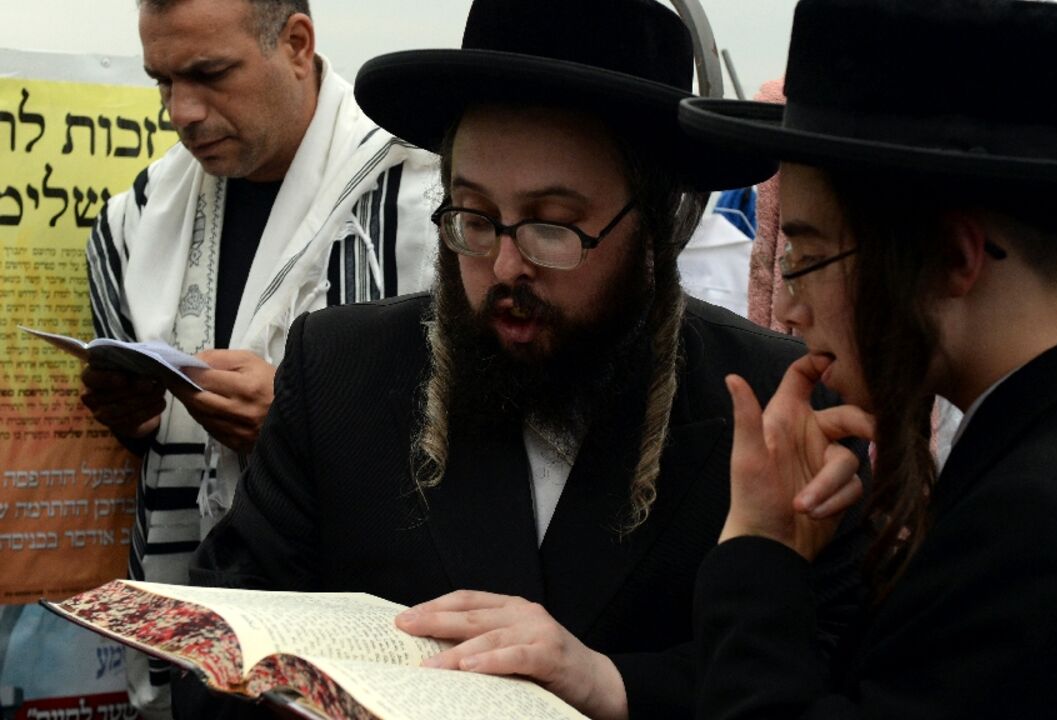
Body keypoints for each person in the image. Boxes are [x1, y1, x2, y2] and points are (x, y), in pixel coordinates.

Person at [185, 0, 862, 718]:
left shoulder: (769, 405)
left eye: (552, 226)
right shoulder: (339, 371)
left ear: (653, 223)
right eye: (473, 218)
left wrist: (617, 685)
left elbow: (830, 671)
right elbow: (216, 663)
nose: (505, 266)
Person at [678, 0, 1057, 717]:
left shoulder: (1045, 526)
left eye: (811, 256)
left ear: (953, 258)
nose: (789, 307)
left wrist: (761, 546)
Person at [79, 0, 438, 714]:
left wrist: (304, 424)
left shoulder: (422, 205)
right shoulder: (134, 220)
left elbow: (497, 450)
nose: (181, 111)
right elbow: (148, 450)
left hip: (373, 660)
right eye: (163, 81)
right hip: (192, 653)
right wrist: (134, 415)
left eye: (210, 74)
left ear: (297, 45)